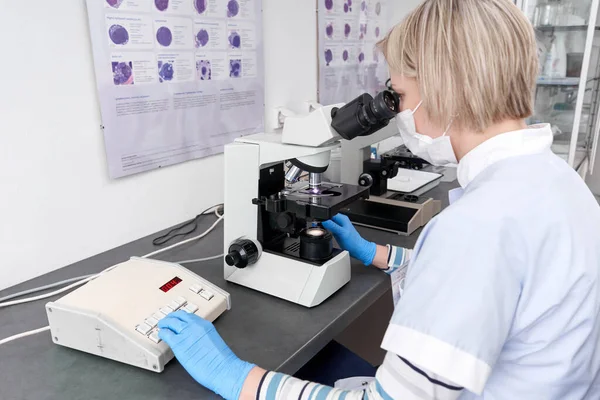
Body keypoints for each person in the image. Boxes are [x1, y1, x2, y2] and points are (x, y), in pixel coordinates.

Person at [158, 0, 600, 398]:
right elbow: (501, 292)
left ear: (445, 87)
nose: (397, 111)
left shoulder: (479, 227)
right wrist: (384, 256)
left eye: (398, 95)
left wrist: (239, 378)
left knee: (319, 360)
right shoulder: (559, 181)